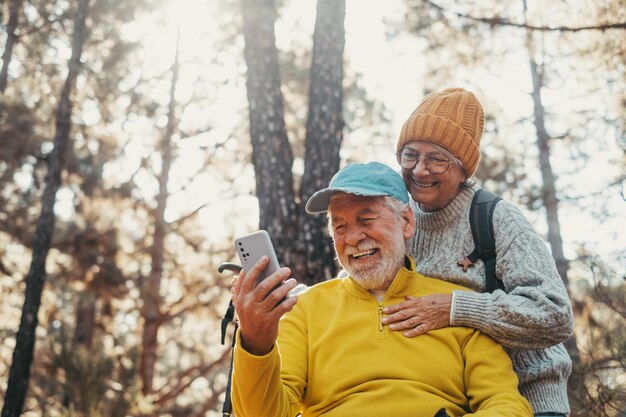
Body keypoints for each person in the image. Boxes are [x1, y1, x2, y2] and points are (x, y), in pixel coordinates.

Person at [231, 161, 533, 417]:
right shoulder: (305, 309)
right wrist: (255, 342)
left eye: (366, 219)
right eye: (339, 226)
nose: (352, 238)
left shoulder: (457, 303)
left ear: (406, 222)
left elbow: (506, 403)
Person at [385, 87, 574, 417]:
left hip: (527, 395)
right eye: (410, 154)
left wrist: (457, 307)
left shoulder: (495, 218)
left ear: (463, 169)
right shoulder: (397, 218)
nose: (419, 170)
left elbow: (555, 315)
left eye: (437, 158)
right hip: (442, 393)